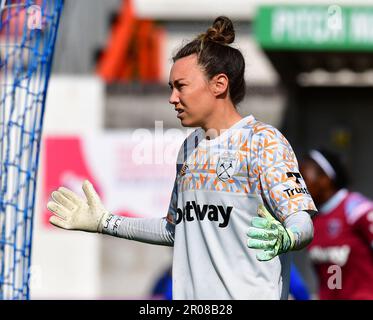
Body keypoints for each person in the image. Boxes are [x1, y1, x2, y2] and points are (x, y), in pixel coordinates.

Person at [47, 16, 317, 300]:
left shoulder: (263, 141)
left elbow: (301, 220)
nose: (172, 98)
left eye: (181, 86)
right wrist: (106, 222)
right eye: (170, 87)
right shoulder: (190, 148)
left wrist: (288, 237)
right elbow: (175, 229)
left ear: (219, 84)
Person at [300, 149, 373, 299]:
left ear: (325, 179)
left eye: (303, 178)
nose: (298, 186)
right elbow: (332, 279)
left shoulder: (357, 210)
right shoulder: (314, 219)